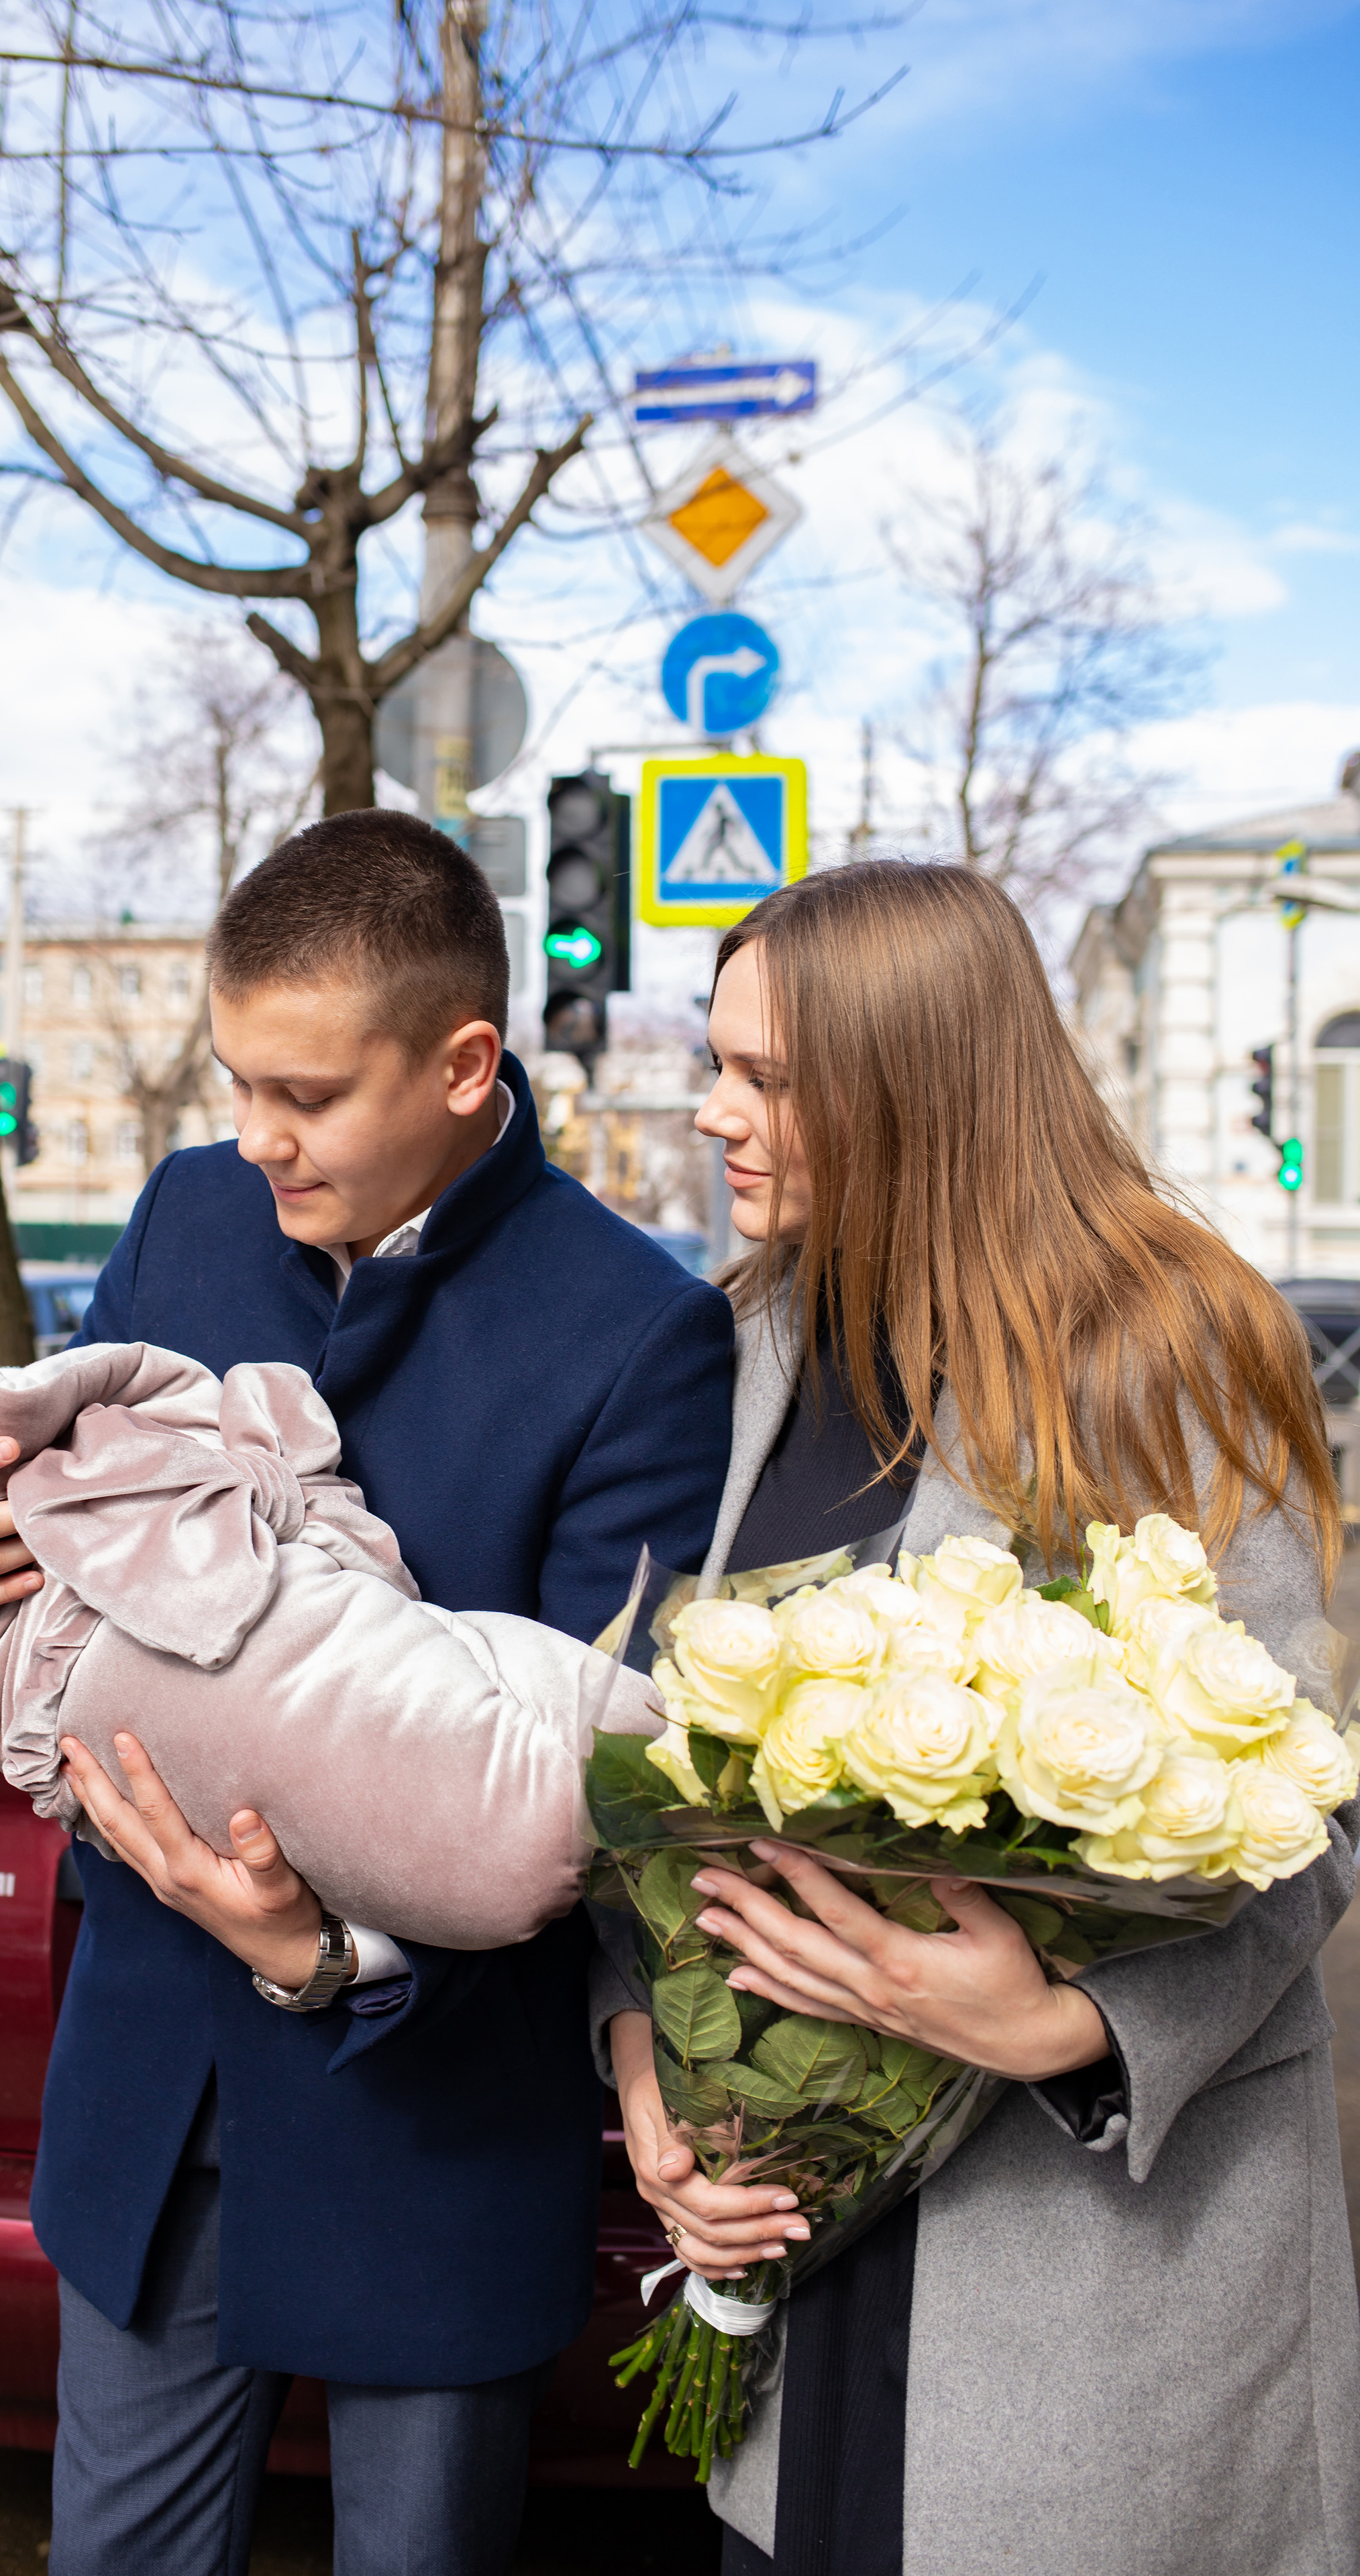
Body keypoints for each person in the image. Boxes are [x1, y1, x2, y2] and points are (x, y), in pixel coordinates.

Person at [0, 811, 734, 2576]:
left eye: (305, 1093)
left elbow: (605, 1790)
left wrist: (336, 1955)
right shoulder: (191, 1213)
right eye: (238, 1082)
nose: (256, 1140)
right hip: (151, 2102)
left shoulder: (640, 1336)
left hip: (430, 2129)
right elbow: (35, 1546)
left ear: (468, 1065)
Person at [603, 859, 1360, 2576]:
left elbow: (1299, 1814)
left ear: (917, 1087)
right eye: (714, 1064)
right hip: (801, 2276)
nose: (714, 1113)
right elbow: (663, 1779)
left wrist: (1072, 2031)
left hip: (1078, 2292)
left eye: (766, 1080)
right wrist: (651, 2079)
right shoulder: (746, 1343)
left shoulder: (1154, 1349)